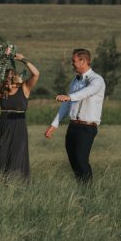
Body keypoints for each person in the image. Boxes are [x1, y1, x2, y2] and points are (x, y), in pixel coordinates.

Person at [45, 48, 105, 184]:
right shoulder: (75, 81)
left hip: (87, 128)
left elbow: (88, 92)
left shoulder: (97, 80)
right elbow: (66, 104)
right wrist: (55, 124)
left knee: (81, 160)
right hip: (72, 127)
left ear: (83, 61)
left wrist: (69, 96)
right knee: (74, 162)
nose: (72, 64)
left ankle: (88, 191)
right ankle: (81, 189)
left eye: (74, 61)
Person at [0, 53, 40, 180]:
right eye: (5, 80)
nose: (7, 83)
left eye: (9, 80)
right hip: (3, 124)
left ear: (15, 79)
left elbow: (36, 74)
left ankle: (14, 181)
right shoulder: (1, 90)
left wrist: (23, 59)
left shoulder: (24, 88)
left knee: (16, 153)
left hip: (18, 124)